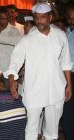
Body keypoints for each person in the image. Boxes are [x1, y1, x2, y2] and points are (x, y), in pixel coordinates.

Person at [4, 2, 72, 140]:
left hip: (56, 89)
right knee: (32, 128)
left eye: (43, 17)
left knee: (52, 130)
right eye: (36, 17)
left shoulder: (61, 36)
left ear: (50, 17)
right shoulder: (28, 39)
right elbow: (15, 62)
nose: (39, 21)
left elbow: (66, 63)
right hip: (34, 90)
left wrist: (69, 85)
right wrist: (12, 80)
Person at [62, 3, 74, 140]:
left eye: (73, 19)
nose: (71, 22)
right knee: (67, 112)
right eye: (69, 19)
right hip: (67, 76)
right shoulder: (66, 33)